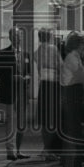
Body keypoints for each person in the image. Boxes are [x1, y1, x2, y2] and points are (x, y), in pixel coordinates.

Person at [0, 27, 31, 160]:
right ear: (10, 37)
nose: (18, 38)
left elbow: (28, 72)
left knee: (22, 123)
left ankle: (19, 150)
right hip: (10, 92)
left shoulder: (26, 54)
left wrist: (27, 78)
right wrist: (12, 77)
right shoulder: (3, 53)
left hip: (22, 92)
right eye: (15, 35)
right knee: (11, 121)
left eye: (20, 35)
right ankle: (11, 151)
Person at [59, 33, 84, 167]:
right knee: (72, 130)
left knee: (73, 130)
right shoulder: (73, 58)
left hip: (72, 94)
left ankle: (73, 163)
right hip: (72, 95)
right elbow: (81, 76)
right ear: (79, 44)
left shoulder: (73, 57)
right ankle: (71, 164)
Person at [34, 29, 62, 158]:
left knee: (45, 119)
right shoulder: (53, 49)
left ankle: (46, 147)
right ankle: (49, 148)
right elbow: (60, 66)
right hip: (54, 84)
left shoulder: (37, 51)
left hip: (43, 84)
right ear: (50, 37)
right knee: (53, 118)